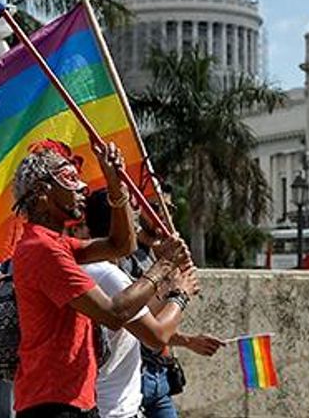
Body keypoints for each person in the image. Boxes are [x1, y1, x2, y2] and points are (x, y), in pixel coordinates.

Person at [10, 140, 190, 418]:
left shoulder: (56, 243)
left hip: (74, 399)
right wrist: (164, 266)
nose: (82, 188)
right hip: (54, 403)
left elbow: (121, 245)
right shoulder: (41, 249)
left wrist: (115, 183)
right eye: (69, 179)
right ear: (42, 193)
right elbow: (114, 313)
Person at [81, 191, 219, 418]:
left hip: (129, 399)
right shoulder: (107, 274)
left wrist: (171, 280)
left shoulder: (99, 269)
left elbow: (138, 316)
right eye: (132, 218)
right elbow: (156, 335)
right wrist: (179, 294)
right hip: (112, 408)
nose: (135, 228)